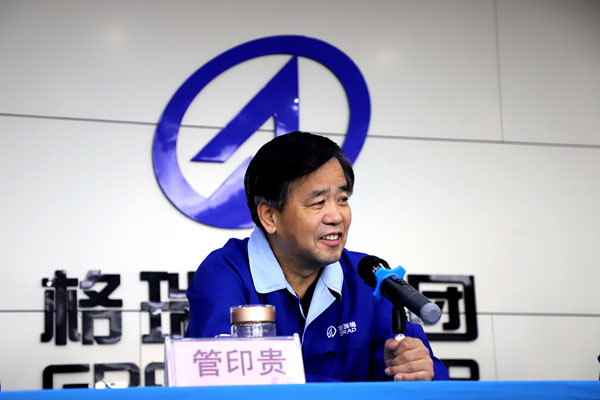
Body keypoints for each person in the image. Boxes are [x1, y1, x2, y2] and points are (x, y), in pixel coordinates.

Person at [186, 131, 449, 382]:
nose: (336, 216)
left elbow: (420, 379)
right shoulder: (224, 274)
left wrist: (420, 371)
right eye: (318, 203)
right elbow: (224, 380)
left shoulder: (365, 277)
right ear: (269, 216)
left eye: (342, 199)